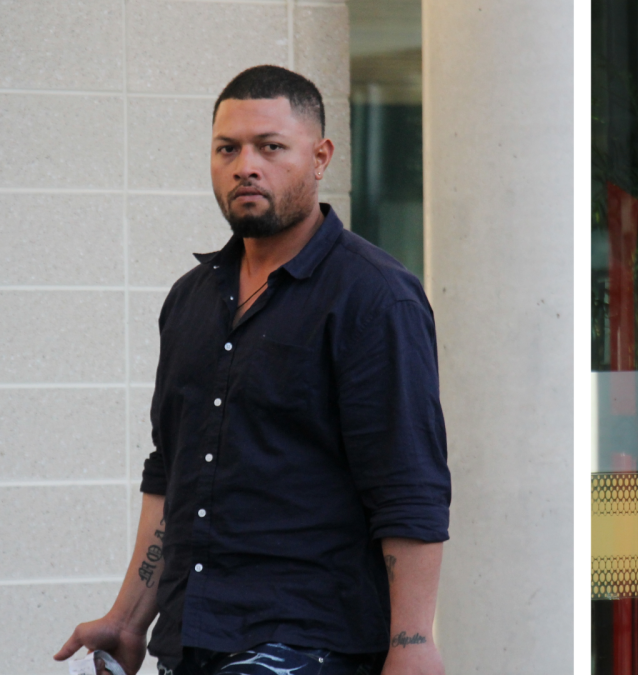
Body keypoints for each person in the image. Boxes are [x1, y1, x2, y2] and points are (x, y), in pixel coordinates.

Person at [53, 65, 451, 675]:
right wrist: (128, 619)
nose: (246, 165)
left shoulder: (375, 297)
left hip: (310, 643)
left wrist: (413, 645)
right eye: (228, 148)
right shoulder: (190, 298)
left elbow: (408, 484)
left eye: (270, 147)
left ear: (320, 157)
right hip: (193, 639)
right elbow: (171, 472)